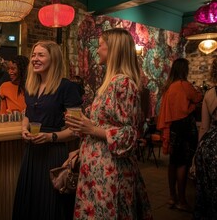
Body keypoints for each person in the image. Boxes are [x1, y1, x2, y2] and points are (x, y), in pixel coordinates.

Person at [65, 28, 152, 219]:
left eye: (100, 46)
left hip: (110, 171)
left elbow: (130, 135)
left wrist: (91, 128)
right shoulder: (110, 82)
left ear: (113, 49)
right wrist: (81, 141)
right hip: (97, 169)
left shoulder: (124, 84)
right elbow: (101, 124)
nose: (96, 50)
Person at [12, 40, 82, 220]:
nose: (35, 59)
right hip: (32, 153)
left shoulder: (67, 87)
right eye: (33, 55)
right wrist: (23, 128)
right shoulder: (30, 86)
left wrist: (50, 136)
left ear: (54, 59)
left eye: (40, 55)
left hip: (53, 153)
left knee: (50, 206)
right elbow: (28, 113)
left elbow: (76, 129)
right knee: (31, 203)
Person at [157, 58, 202, 212]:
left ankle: (172, 197)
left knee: (173, 162)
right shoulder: (185, 85)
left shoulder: (168, 87)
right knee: (183, 163)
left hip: (173, 127)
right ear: (184, 70)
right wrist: (190, 107)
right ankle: (182, 201)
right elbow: (198, 98)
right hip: (184, 126)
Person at [194, 59, 217, 219]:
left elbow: (204, 127)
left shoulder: (210, 94)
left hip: (211, 149)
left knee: (209, 195)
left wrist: (196, 157)